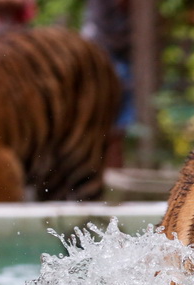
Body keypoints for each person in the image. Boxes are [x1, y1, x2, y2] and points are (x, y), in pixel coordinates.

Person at [82, 0, 133, 168]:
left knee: (117, 132)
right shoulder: (100, 11)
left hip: (121, 63)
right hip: (102, 58)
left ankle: (112, 176)